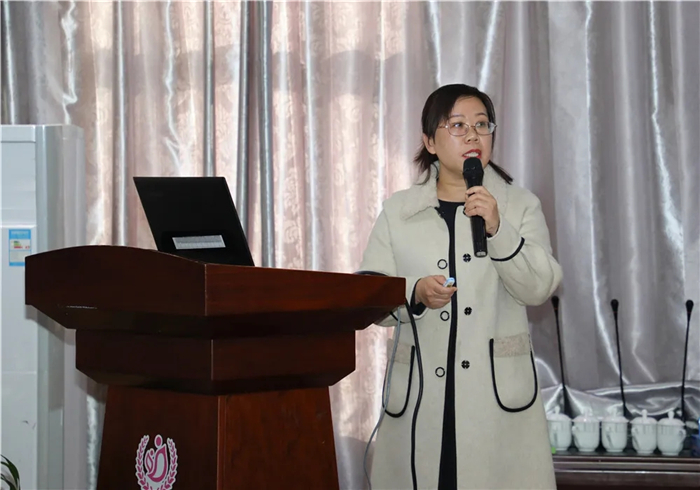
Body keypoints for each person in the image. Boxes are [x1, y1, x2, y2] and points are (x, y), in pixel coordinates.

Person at [359, 84, 562, 490]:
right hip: (420, 405)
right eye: (457, 125)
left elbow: (539, 287)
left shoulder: (519, 205)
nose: (473, 135)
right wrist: (414, 293)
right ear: (430, 142)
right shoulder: (399, 211)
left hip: (495, 404)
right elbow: (368, 297)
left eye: (482, 125)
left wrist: (499, 229)